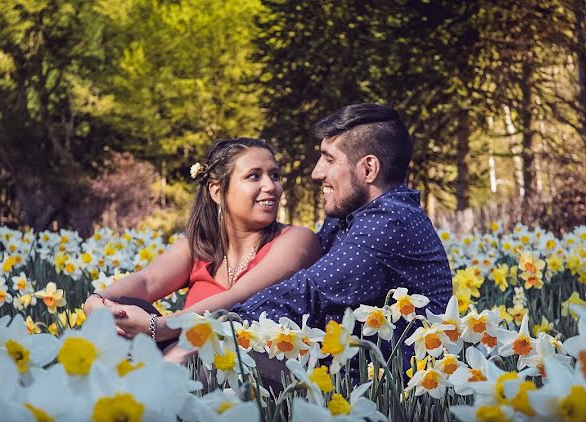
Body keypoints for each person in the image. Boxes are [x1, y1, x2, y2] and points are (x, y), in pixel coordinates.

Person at [158, 103, 453, 372]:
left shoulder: (390, 222)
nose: (315, 173)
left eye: (328, 159)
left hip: (384, 395)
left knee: (211, 357)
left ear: (368, 168)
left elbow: (303, 294)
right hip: (333, 369)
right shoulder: (346, 220)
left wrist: (184, 335)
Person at [82, 138, 321, 346]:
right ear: (217, 192)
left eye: (275, 176)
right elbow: (146, 281)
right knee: (120, 309)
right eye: (254, 176)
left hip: (245, 370)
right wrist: (96, 302)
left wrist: (159, 326)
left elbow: (240, 295)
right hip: (187, 363)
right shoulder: (198, 247)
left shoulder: (296, 240)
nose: (272, 187)